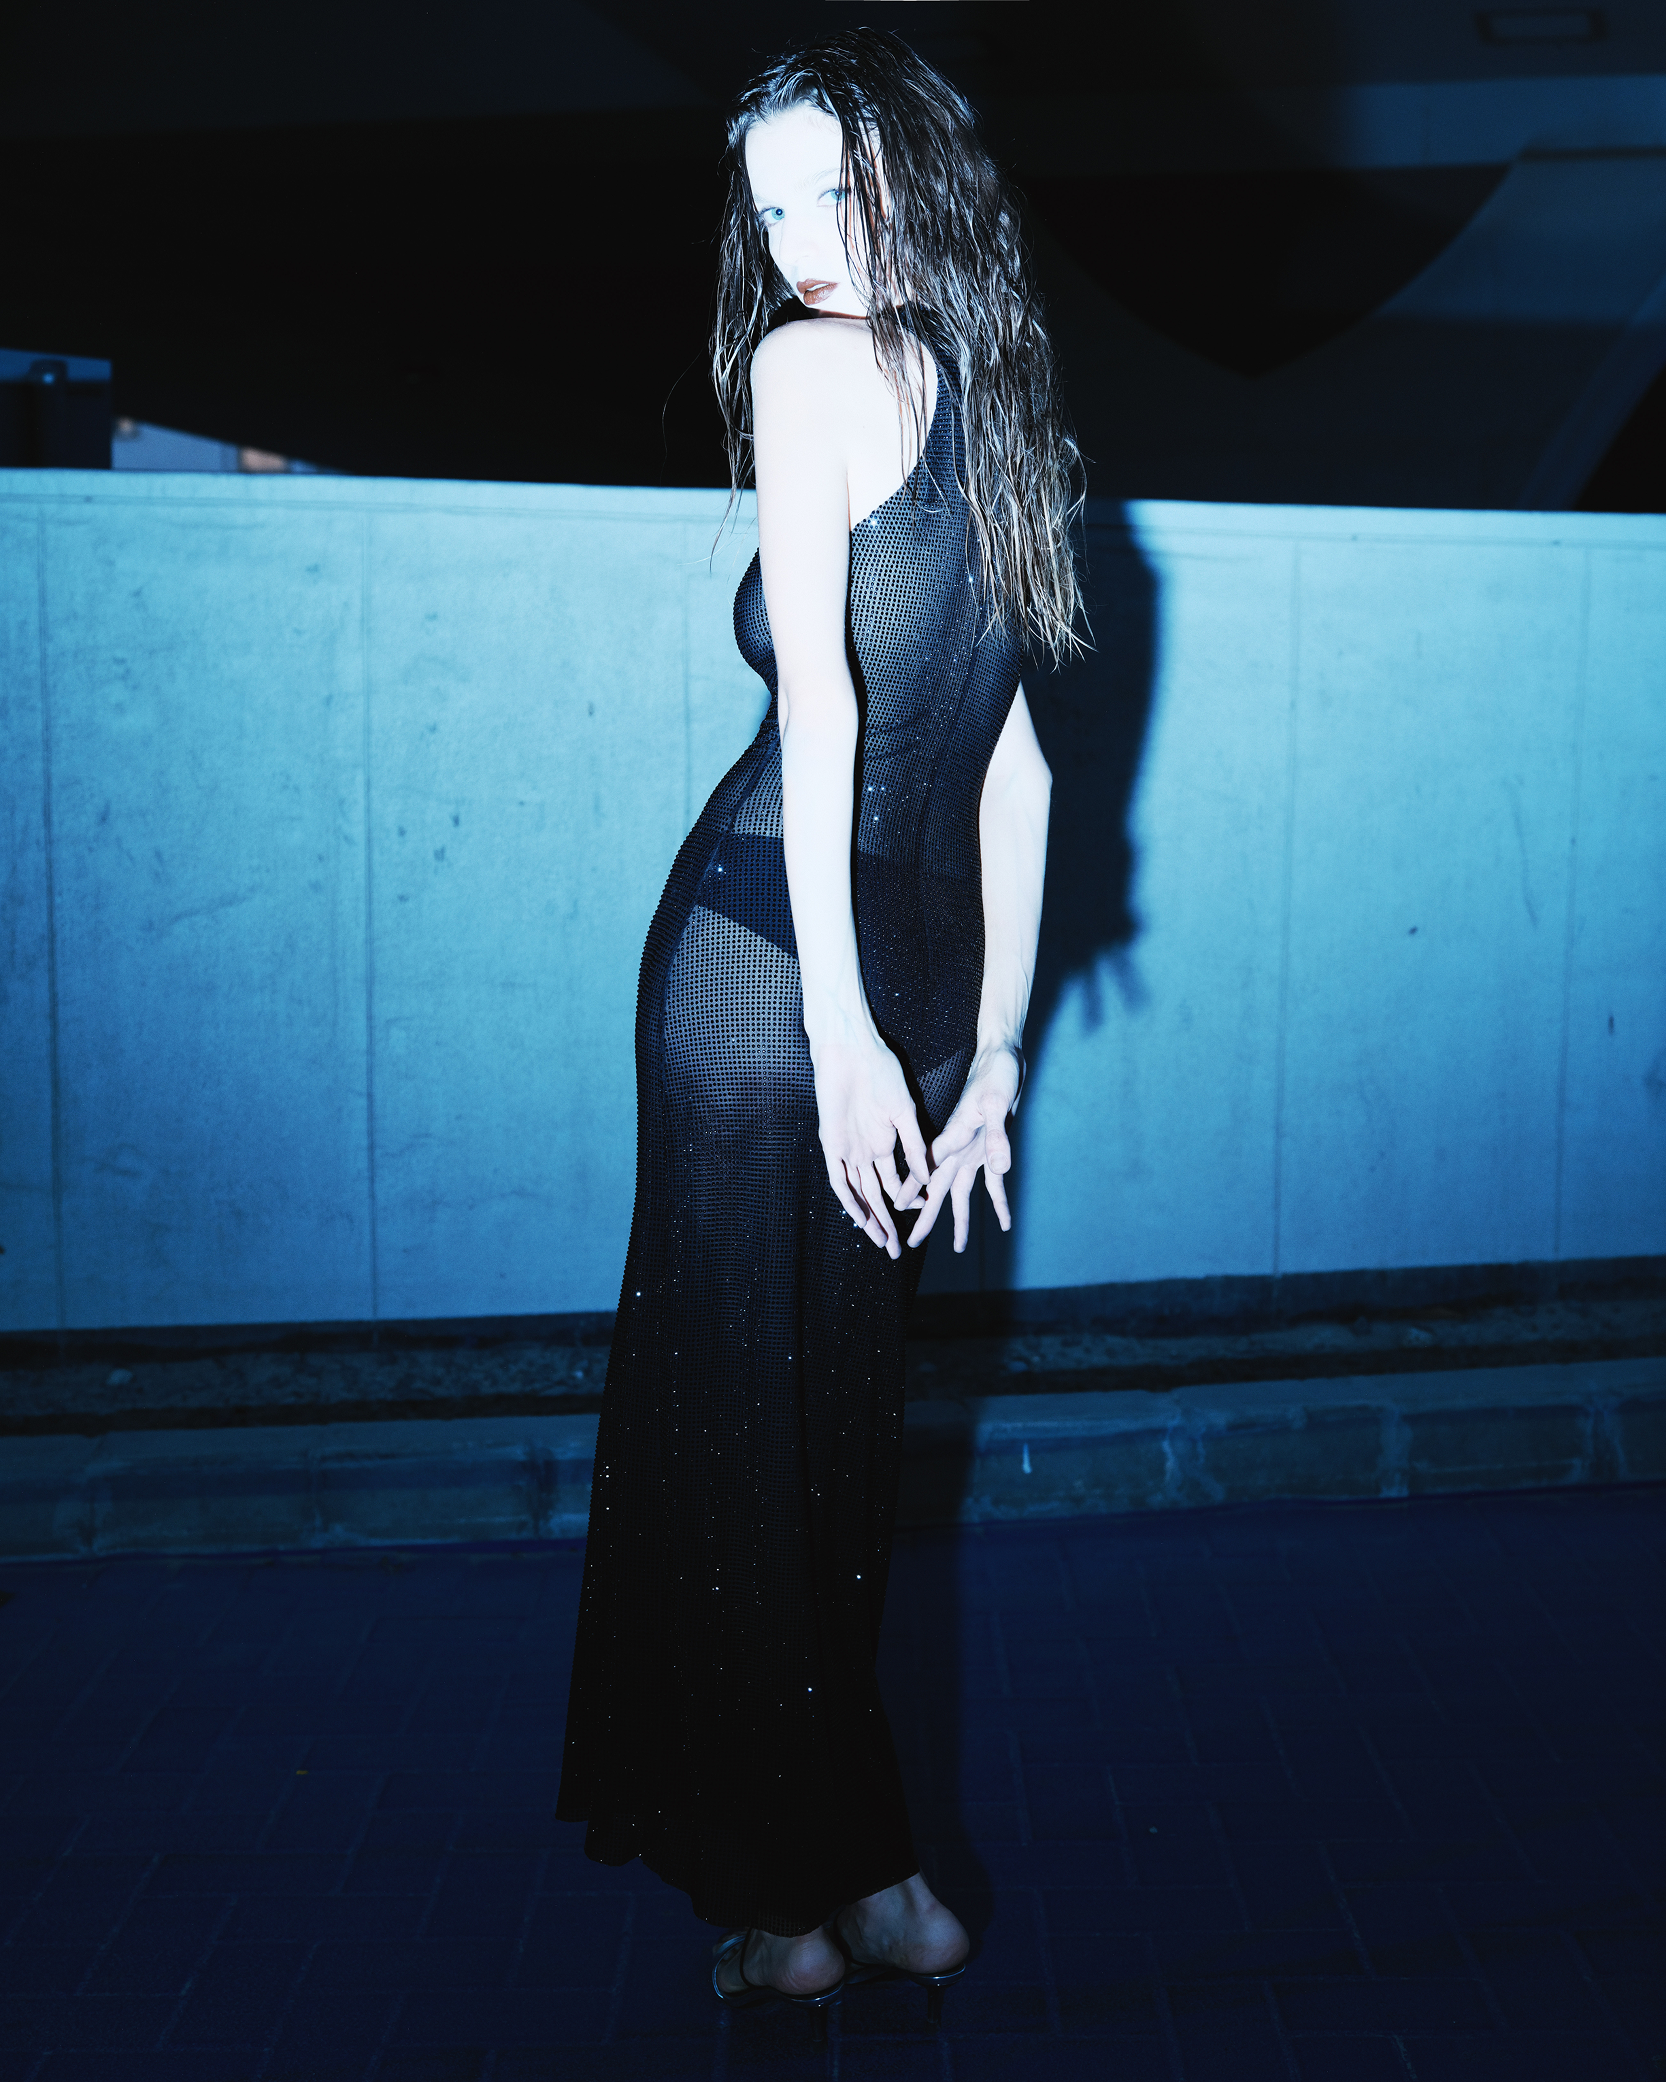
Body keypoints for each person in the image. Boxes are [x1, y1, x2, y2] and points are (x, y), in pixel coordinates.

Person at [555, 27, 1090, 2023]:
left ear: (917, 176)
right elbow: (1018, 769)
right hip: (906, 981)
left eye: (829, 188)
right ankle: (861, 1880)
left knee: (742, 1445)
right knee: (826, 1440)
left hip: (775, 972)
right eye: (765, 201)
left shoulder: (810, 373)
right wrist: (987, 1048)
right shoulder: (1007, 395)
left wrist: (864, 1041)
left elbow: (831, 706)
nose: (794, 240)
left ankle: (801, 1900)